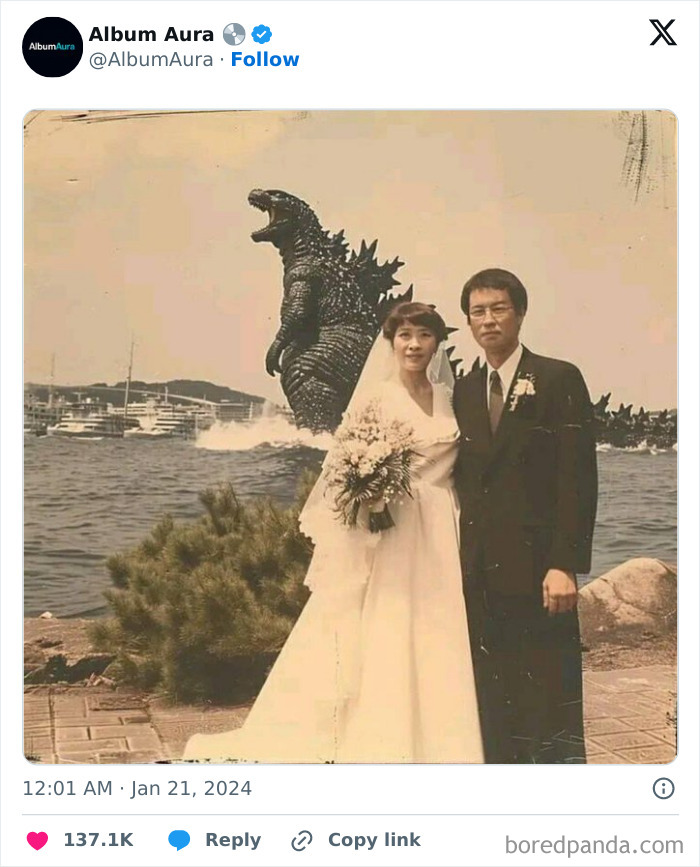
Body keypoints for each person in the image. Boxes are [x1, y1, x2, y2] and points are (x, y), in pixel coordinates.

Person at [183, 301, 484, 763]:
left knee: (437, 625)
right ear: (391, 342)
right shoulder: (376, 398)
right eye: (404, 335)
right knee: (389, 621)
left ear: (438, 342)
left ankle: (441, 736)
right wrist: (373, 497)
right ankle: (387, 735)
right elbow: (345, 467)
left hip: (442, 522)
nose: (414, 345)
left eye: (424, 336)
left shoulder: (448, 396)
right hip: (395, 525)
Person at [453, 268, 598, 764]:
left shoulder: (558, 378)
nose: (488, 320)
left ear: (520, 313)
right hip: (480, 574)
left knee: (549, 695)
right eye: (478, 311)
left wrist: (565, 563)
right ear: (468, 322)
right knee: (493, 700)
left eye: (499, 308)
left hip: (540, 570)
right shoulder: (465, 390)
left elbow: (577, 479)